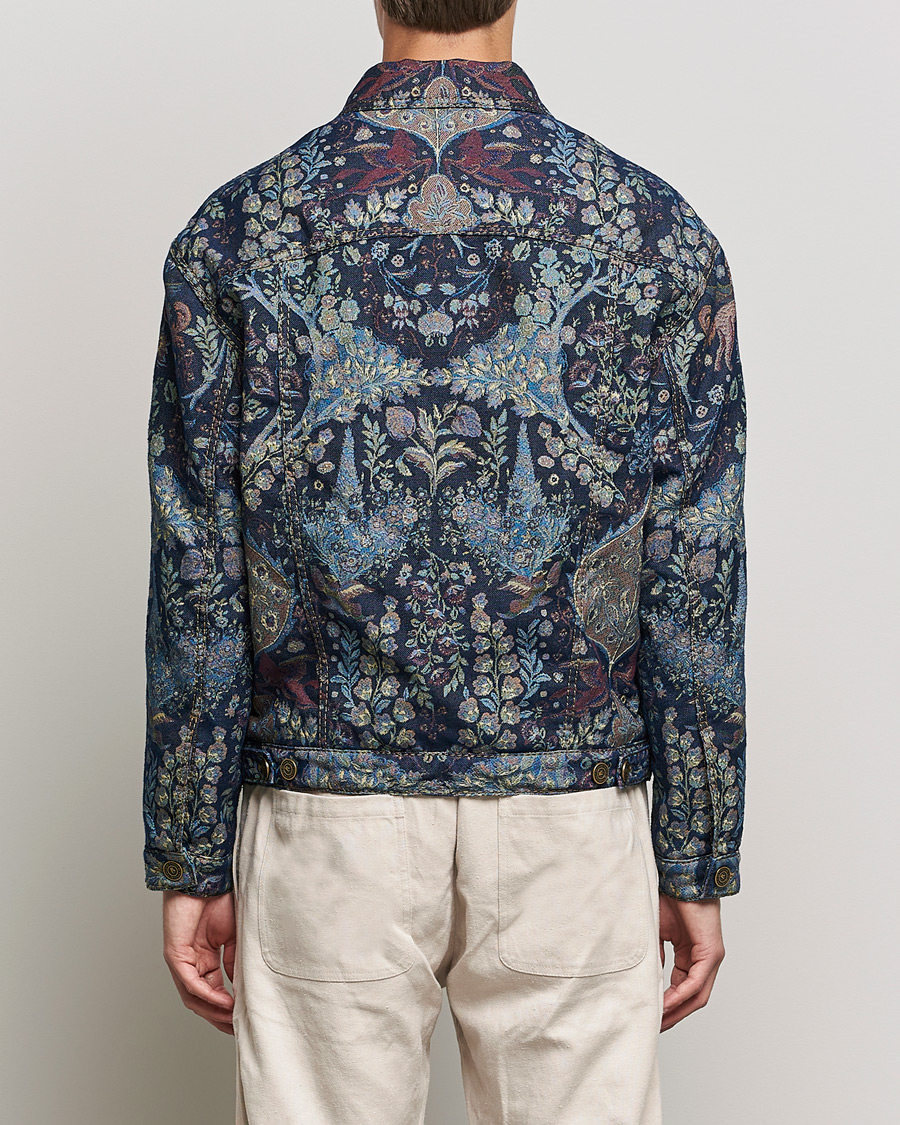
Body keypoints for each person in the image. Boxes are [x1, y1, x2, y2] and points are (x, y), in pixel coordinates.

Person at [142, 1, 748, 1120]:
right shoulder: (655, 234)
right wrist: (695, 855)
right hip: (571, 816)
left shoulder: (238, 233)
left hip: (327, 815)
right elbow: (695, 573)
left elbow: (198, 575)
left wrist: (190, 853)